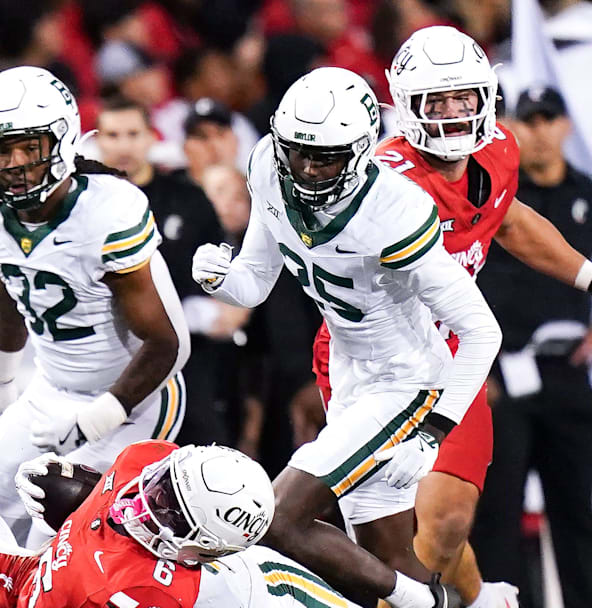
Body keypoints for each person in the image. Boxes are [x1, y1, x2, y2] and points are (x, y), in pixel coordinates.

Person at [191, 65, 495, 608]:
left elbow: (481, 330)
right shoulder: (268, 164)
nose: (306, 168)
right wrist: (221, 278)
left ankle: (428, 602)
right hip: (350, 375)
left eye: (325, 156)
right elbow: (255, 284)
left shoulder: (393, 209)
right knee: (388, 557)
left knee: (274, 516)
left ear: (359, 150)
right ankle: (443, 600)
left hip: (406, 384)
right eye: (298, 151)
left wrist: (434, 431)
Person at [312, 27, 592, 608]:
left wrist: (587, 273)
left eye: (464, 97)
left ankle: (476, 599)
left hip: (450, 355)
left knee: (445, 524)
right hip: (373, 362)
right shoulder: (380, 183)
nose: (452, 114)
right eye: (434, 102)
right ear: (403, 105)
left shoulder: (499, 152)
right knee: (392, 546)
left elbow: (506, 218)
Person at [0, 66, 190, 546]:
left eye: (29, 146)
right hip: (51, 386)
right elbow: (10, 279)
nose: (16, 163)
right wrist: (0, 376)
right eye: (1, 149)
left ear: (61, 142)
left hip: (135, 401)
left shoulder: (106, 213)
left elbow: (168, 343)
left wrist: (95, 419)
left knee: (61, 542)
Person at [0, 415, 354, 608]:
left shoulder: (146, 591)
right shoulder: (147, 462)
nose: (146, 500)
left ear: (199, 551)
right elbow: (109, 497)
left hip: (45, 592)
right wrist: (74, 492)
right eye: (163, 488)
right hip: (19, 581)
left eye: (168, 510)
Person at [470, 86, 592, 606]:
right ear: (514, 128)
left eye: (549, 119)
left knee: (581, 506)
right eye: (529, 120)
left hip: (569, 373)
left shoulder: (588, 194)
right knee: (500, 511)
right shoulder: (497, 198)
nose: (539, 132)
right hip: (503, 376)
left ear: (566, 125)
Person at [95, 95, 239, 446]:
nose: (124, 145)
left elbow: (226, 275)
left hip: (185, 358)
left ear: (150, 138)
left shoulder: (188, 199)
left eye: (132, 133)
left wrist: (206, 313)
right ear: (98, 140)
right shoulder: (86, 203)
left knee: (205, 451)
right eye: (113, 136)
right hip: (104, 354)